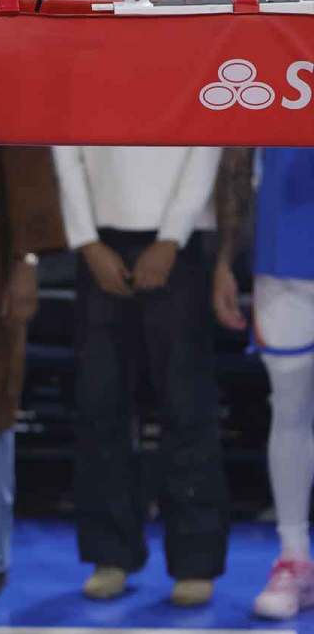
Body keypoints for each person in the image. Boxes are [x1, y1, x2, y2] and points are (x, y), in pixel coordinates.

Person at [54, 138, 227, 605]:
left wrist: (172, 237)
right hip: (99, 241)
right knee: (99, 406)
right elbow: (64, 146)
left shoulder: (187, 63)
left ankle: (195, 561)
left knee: (187, 407)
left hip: (179, 243)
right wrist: (87, 242)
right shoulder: (83, 63)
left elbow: (205, 139)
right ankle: (110, 555)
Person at [212, 147, 314, 620]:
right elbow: (237, 155)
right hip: (284, 256)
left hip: (282, 253)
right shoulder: (272, 68)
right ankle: (294, 556)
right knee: (290, 410)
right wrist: (226, 259)